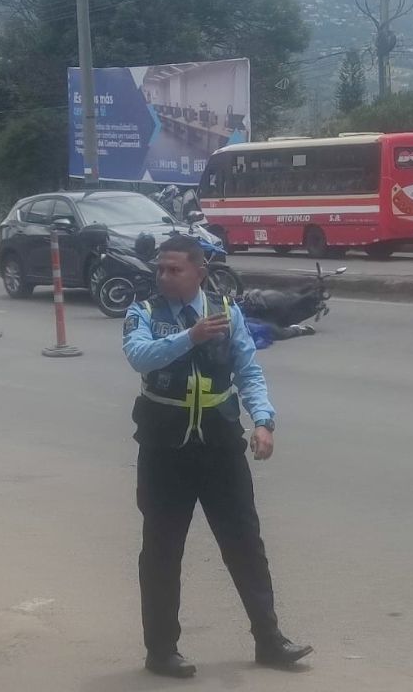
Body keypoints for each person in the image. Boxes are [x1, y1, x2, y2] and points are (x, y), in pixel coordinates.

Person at [122, 235, 312, 679]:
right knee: (162, 551)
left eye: (175, 269)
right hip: (164, 449)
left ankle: (270, 639)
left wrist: (263, 421)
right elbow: (139, 357)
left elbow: (248, 369)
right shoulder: (143, 312)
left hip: (220, 444)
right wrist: (189, 336)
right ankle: (162, 651)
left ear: (200, 272)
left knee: (245, 544)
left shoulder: (227, 313)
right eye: (161, 269)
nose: (165, 277)